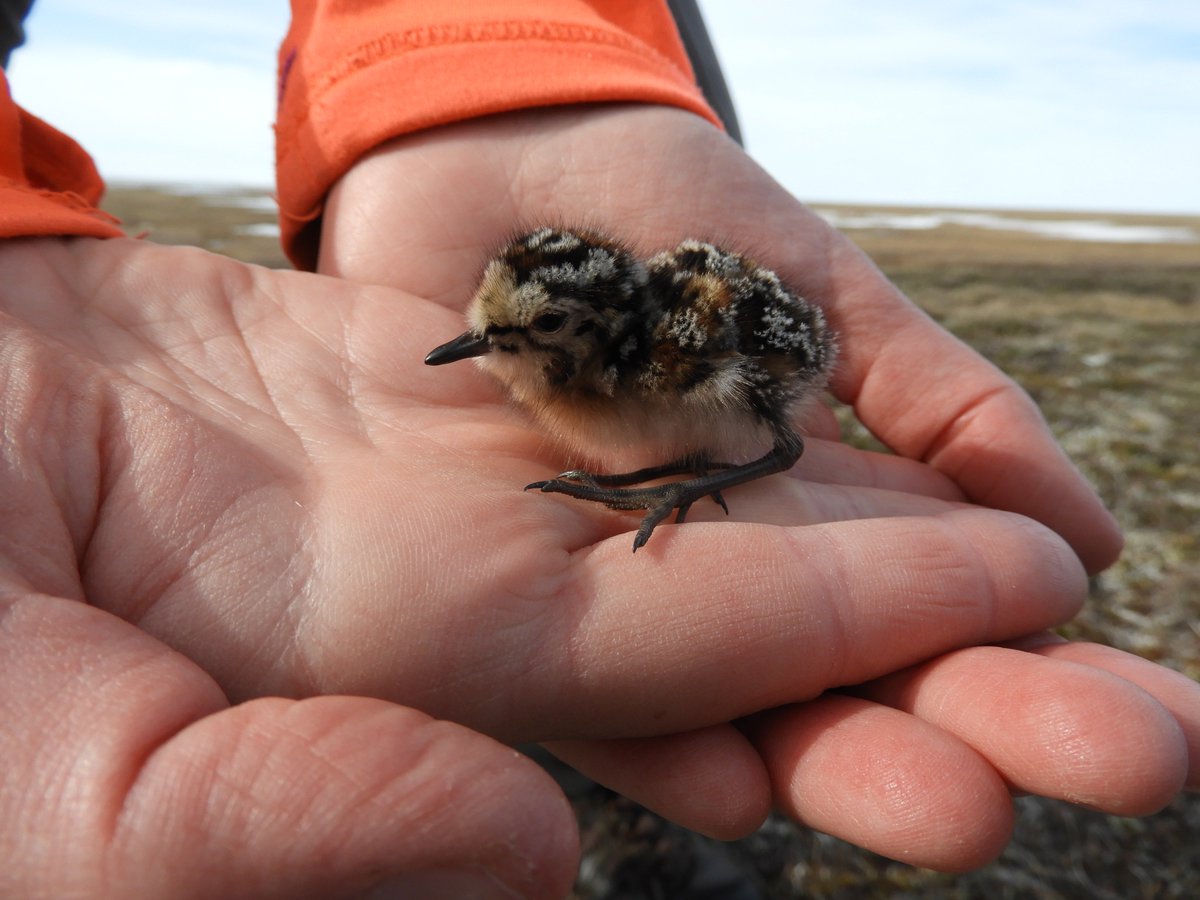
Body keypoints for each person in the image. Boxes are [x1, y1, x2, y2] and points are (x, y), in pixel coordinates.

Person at [1, 2, 1195, 896]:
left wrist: (480, 63)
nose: (481, 353)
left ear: (583, 340)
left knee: (733, 488)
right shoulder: (570, 354)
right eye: (487, 332)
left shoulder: (661, 360)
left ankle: (655, 693)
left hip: (720, 390)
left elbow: (752, 378)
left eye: (515, 339)